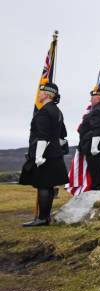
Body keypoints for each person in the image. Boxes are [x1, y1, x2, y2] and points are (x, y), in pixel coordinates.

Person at [19, 83, 69, 227]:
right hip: (55, 153)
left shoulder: (44, 111)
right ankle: (44, 217)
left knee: (43, 186)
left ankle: (42, 219)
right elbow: (62, 135)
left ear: (48, 94)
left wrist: (38, 156)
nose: (38, 95)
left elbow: (43, 136)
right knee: (48, 186)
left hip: (45, 155)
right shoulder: (57, 111)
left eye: (41, 92)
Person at [78, 86, 100, 191]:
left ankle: (96, 191)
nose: (90, 100)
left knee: (96, 171)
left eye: (92, 98)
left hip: (95, 147)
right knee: (99, 170)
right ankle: (98, 189)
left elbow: (98, 129)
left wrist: (94, 146)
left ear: (98, 98)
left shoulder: (98, 111)